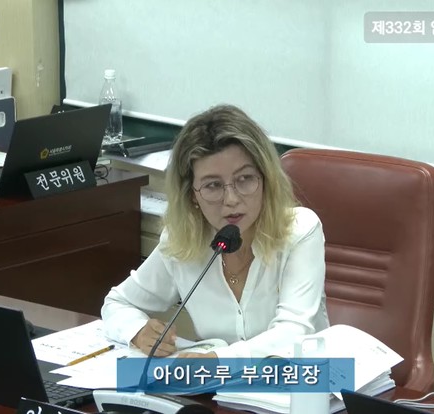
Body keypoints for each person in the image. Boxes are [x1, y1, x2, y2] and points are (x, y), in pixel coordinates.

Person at [101, 104, 329, 359]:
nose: (231, 199)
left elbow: (293, 333)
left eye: (245, 179)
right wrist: (137, 330)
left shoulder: (299, 231)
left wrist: (218, 361)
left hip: (299, 379)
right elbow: (117, 303)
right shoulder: (182, 242)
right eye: (213, 185)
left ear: (265, 179)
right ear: (192, 194)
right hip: (215, 383)